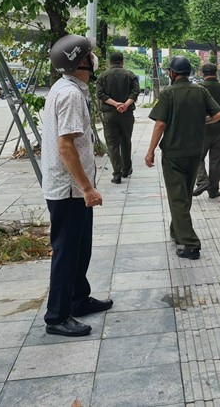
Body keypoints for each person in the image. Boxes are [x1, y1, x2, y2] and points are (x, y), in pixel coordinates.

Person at [41, 34, 111, 337]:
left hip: (73, 188)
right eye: (91, 54)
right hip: (69, 190)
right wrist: (86, 188)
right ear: (82, 62)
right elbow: (66, 146)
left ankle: (78, 299)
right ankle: (57, 316)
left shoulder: (68, 89)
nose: (94, 58)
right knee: (67, 252)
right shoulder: (69, 95)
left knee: (81, 249)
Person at [145, 56, 220, 259]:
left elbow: (160, 124)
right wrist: (203, 122)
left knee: (178, 197)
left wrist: (150, 150)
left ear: (172, 73)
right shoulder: (201, 91)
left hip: (173, 153)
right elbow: (219, 114)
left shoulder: (168, 93)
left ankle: (190, 244)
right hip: (194, 153)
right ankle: (176, 231)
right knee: (184, 195)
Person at [193, 63, 220, 199]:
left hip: (202, 130)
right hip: (219, 131)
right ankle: (213, 190)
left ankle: (202, 180)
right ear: (216, 73)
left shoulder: (199, 89)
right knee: (216, 161)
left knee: (197, 157)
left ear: (202, 73)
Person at [96, 51, 140, 184]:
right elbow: (136, 91)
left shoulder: (102, 76)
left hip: (109, 114)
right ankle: (127, 169)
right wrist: (125, 105)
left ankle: (117, 174)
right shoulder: (130, 75)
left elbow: (100, 94)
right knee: (126, 141)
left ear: (110, 62)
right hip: (126, 114)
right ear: (122, 62)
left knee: (112, 144)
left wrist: (116, 104)